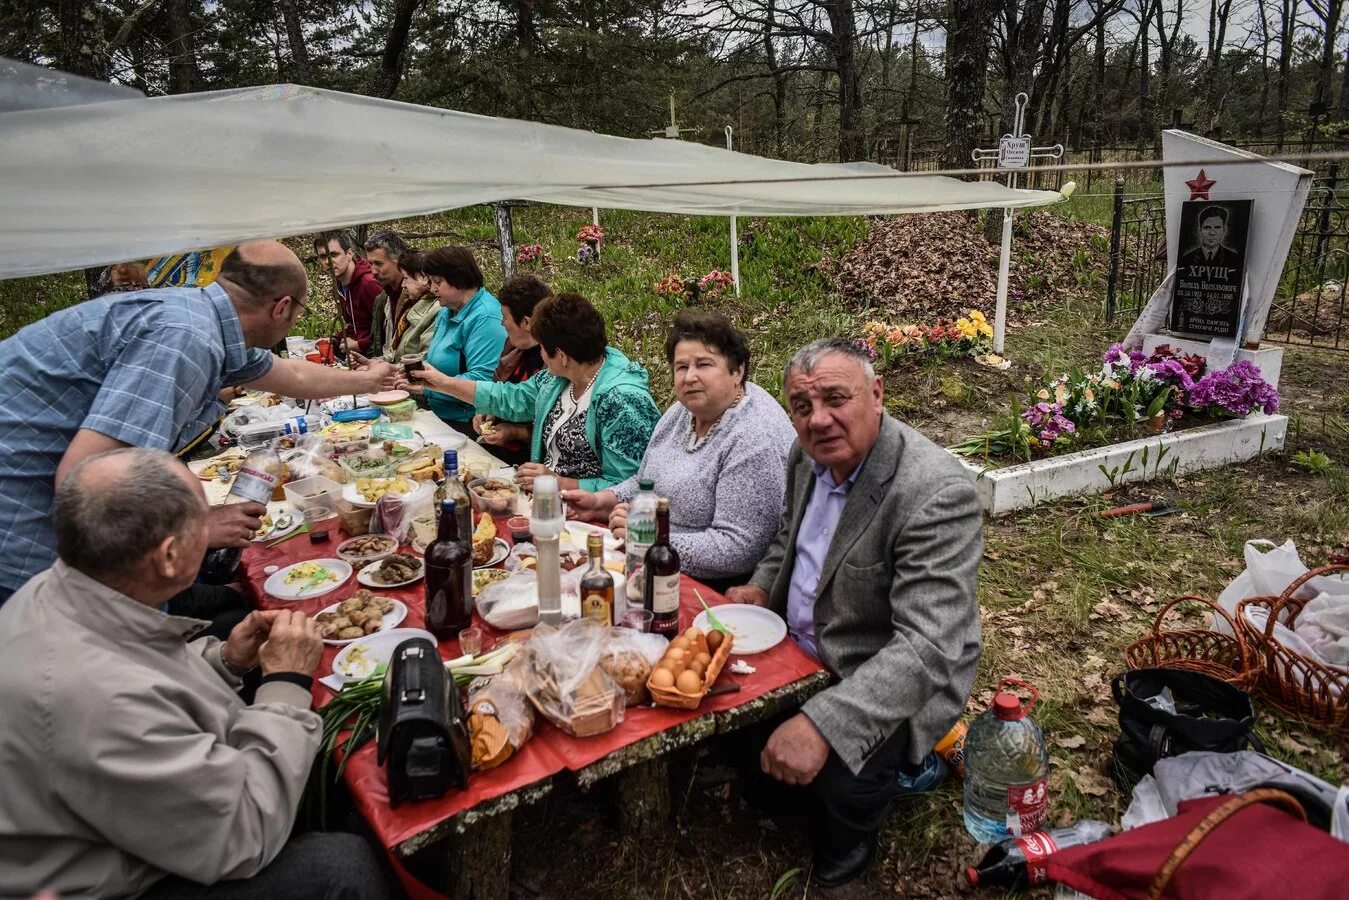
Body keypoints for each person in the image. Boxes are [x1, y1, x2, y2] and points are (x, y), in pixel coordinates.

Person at [0, 448, 388, 899]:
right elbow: (243, 835)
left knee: (325, 756)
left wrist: (227, 661)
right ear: (168, 556)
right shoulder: (97, 696)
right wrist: (286, 683)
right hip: (114, 881)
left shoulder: (64, 588)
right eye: (201, 521)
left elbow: (153, 673)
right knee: (341, 868)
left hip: (127, 820)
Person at [0, 239, 398, 604]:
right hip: (23, 533)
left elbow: (290, 375)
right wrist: (197, 527)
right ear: (281, 307)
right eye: (297, 314)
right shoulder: (186, 337)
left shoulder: (203, 316)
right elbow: (84, 480)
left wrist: (366, 379)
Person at [724, 338, 982, 888]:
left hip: (880, 669)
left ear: (877, 395)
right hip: (797, 649)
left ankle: (887, 799)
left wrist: (822, 724)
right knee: (749, 764)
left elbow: (926, 647)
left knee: (839, 792)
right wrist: (759, 589)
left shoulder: (933, 491)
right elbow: (784, 540)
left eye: (836, 398)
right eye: (801, 406)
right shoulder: (805, 454)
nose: (819, 420)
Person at [561, 311, 795, 592]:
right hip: (660, 564)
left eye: (704, 364)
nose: (690, 377)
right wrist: (601, 501)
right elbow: (647, 481)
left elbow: (739, 548)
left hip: (717, 590)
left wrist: (654, 540)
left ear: (737, 371)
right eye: (681, 367)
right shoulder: (682, 413)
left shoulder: (753, 437)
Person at [402, 292, 660, 492]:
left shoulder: (622, 400)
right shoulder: (558, 378)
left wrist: (557, 482)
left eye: (542, 348)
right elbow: (510, 398)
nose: (539, 355)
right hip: (548, 500)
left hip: (593, 522)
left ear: (561, 354)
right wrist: (440, 382)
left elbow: (631, 486)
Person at [400, 246, 509, 435]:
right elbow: (437, 360)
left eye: (438, 282)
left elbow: (482, 382)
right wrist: (412, 371)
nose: (432, 288)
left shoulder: (486, 317)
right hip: (439, 415)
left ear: (458, 278)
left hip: (467, 422)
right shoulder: (447, 309)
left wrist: (427, 387)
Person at [471, 273, 551, 466]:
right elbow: (500, 392)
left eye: (505, 317)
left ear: (526, 322)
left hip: (531, 463)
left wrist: (516, 433)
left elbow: (555, 431)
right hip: (497, 453)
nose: (502, 323)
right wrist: (487, 413)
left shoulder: (554, 361)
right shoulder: (513, 346)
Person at [314, 230, 382, 355]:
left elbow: (389, 329)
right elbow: (356, 325)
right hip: (356, 353)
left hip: (375, 355)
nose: (328, 261)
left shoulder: (369, 284)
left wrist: (360, 344)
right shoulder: (341, 284)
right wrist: (335, 340)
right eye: (323, 257)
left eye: (334, 254)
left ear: (349, 254)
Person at [377, 248, 440, 364]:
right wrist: (372, 363)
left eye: (406, 278)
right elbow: (395, 353)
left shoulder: (436, 311)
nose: (403, 284)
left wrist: (391, 369)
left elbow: (426, 358)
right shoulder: (409, 305)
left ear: (424, 278)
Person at [364, 230, 408, 358]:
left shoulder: (416, 297)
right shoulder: (382, 299)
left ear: (399, 260)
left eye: (378, 264)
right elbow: (376, 344)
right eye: (370, 264)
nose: (373, 271)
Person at [1178, 205, 1242, 275]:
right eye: (1207, 227)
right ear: (1200, 231)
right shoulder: (1187, 259)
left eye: (1217, 227)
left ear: (1224, 230)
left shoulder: (1234, 259)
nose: (1212, 233)